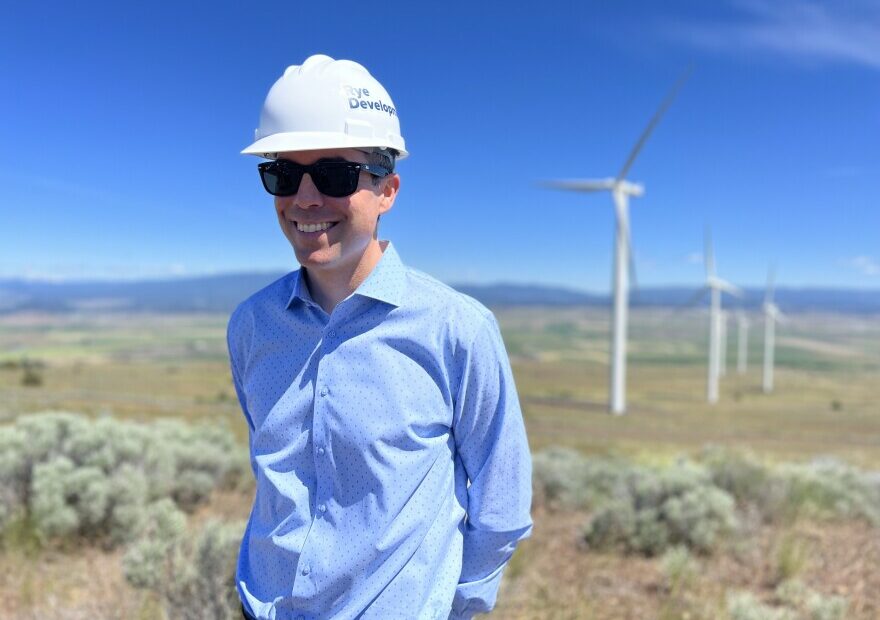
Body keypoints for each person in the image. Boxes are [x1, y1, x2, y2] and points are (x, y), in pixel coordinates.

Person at [227, 54, 532, 620]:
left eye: (336, 174)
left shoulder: (455, 328)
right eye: (284, 173)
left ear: (387, 190)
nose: (306, 198)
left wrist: (457, 607)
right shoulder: (252, 324)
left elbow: (502, 498)